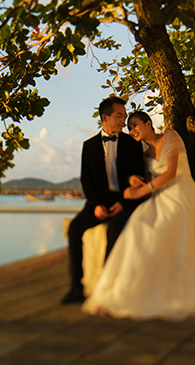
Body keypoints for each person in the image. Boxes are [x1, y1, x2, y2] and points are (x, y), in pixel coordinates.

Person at [82, 111, 195, 320]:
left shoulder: (171, 136)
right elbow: (145, 177)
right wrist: (133, 182)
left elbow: (170, 172)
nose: (132, 130)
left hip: (180, 193)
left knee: (161, 227)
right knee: (137, 229)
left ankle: (155, 291)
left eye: (135, 125)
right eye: (129, 127)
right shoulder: (143, 151)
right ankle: (120, 292)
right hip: (157, 195)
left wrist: (141, 191)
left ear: (148, 123)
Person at [61, 97, 147, 304]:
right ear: (104, 118)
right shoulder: (89, 146)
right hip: (98, 202)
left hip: (125, 201)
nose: (123, 121)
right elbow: (87, 180)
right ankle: (77, 287)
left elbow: (139, 178)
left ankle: (105, 288)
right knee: (74, 229)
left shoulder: (132, 144)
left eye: (124, 116)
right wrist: (97, 205)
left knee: (113, 231)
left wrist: (123, 204)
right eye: (119, 116)